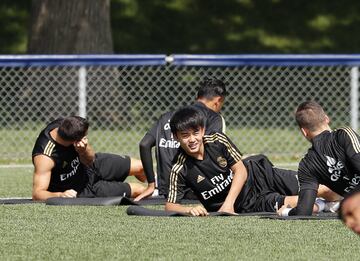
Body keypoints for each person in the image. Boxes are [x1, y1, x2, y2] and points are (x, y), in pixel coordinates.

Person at [164, 106, 326, 216]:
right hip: (249, 203)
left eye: (195, 133)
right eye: (185, 135)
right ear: (175, 137)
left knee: (320, 188)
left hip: (260, 174)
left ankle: (343, 197)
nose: (192, 139)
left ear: (203, 130)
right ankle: (329, 206)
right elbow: (169, 206)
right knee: (305, 205)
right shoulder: (179, 168)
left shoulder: (217, 140)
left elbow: (240, 170)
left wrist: (228, 204)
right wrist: (189, 209)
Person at [137, 77, 227, 201]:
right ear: (218, 100)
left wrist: (151, 185)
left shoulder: (168, 116)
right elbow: (213, 151)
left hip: (166, 191)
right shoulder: (214, 118)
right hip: (195, 190)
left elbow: (144, 144)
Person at [32, 116, 146, 201]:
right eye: (85, 136)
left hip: (91, 164)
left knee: (142, 167)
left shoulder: (65, 124)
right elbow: (37, 194)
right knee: (140, 190)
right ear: (75, 140)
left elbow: (90, 159)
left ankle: (159, 184)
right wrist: (60, 195)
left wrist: (83, 150)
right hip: (83, 188)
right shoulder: (45, 158)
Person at [278, 101, 354, 217]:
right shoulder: (345, 134)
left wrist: (285, 211)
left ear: (304, 132)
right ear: (327, 119)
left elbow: (303, 212)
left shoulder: (306, 165)